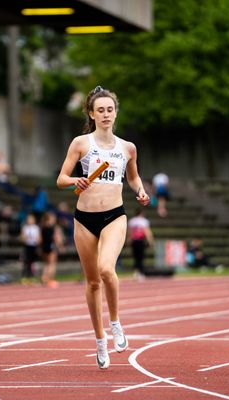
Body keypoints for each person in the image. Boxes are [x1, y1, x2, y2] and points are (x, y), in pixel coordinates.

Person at [56, 85, 150, 369]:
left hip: (114, 217)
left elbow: (132, 178)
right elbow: (61, 178)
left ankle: (116, 322)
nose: (106, 114)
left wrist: (141, 191)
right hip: (84, 219)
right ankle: (100, 339)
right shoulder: (81, 143)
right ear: (91, 113)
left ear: (116, 112)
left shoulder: (127, 148)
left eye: (110, 109)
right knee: (93, 281)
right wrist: (76, 181)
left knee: (107, 269)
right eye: (101, 110)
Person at [127, 208, 154, 281]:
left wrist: (129, 241)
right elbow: (147, 232)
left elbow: (130, 233)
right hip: (140, 241)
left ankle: (135, 273)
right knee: (141, 257)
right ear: (142, 213)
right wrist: (151, 241)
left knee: (135, 258)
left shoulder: (132, 221)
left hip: (134, 241)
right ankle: (141, 273)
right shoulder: (144, 221)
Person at [40, 211, 65, 288]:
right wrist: (60, 247)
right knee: (52, 264)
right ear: (50, 219)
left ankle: (44, 278)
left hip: (44, 247)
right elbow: (56, 238)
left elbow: (40, 239)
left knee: (46, 264)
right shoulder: (54, 228)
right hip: (51, 246)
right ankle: (50, 280)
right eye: (53, 218)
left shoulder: (42, 227)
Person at [20, 213, 41, 284]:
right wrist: (25, 238)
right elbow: (23, 237)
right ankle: (25, 277)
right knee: (26, 262)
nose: (30, 220)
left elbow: (39, 238)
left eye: (31, 219)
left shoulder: (36, 228)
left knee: (33, 262)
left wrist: (37, 241)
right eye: (29, 219)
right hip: (27, 246)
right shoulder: (25, 227)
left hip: (34, 246)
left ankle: (32, 277)